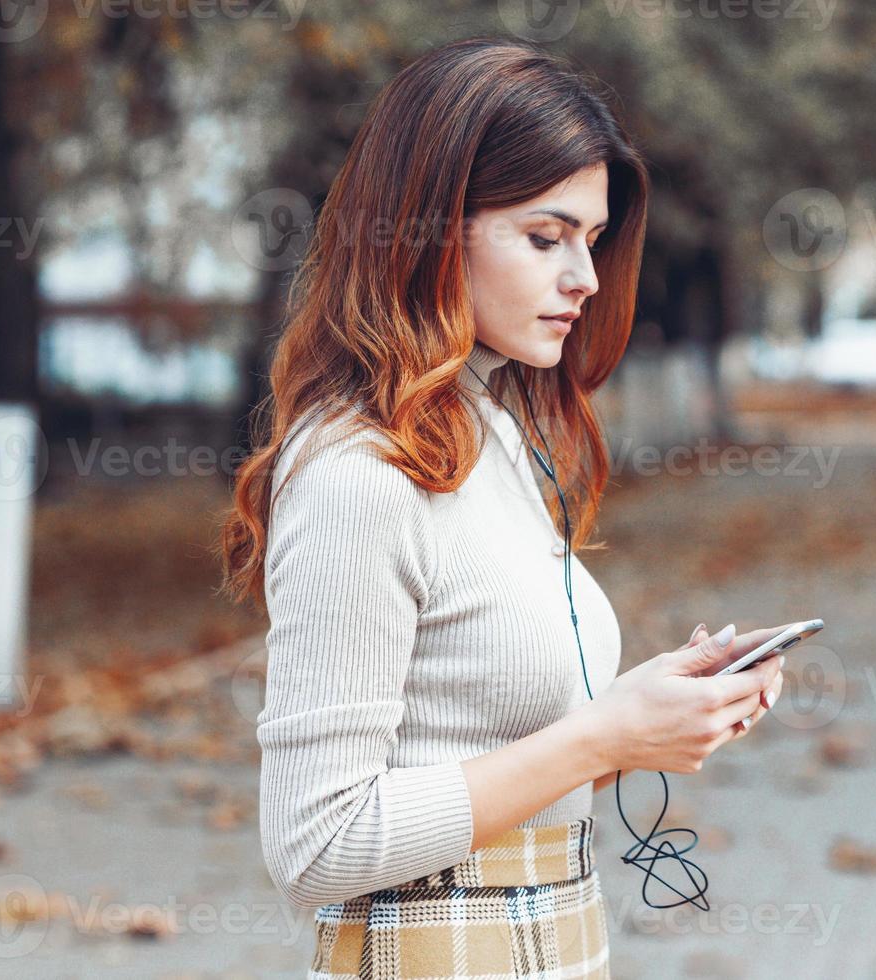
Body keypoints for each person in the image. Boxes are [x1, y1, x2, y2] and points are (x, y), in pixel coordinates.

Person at [218, 36, 784, 979]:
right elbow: (315, 847)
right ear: (430, 229)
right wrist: (602, 735)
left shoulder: (491, 435)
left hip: (549, 942)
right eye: (544, 236)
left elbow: (491, 746)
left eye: (592, 241)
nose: (586, 279)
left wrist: (655, 715)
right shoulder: (360, 473)